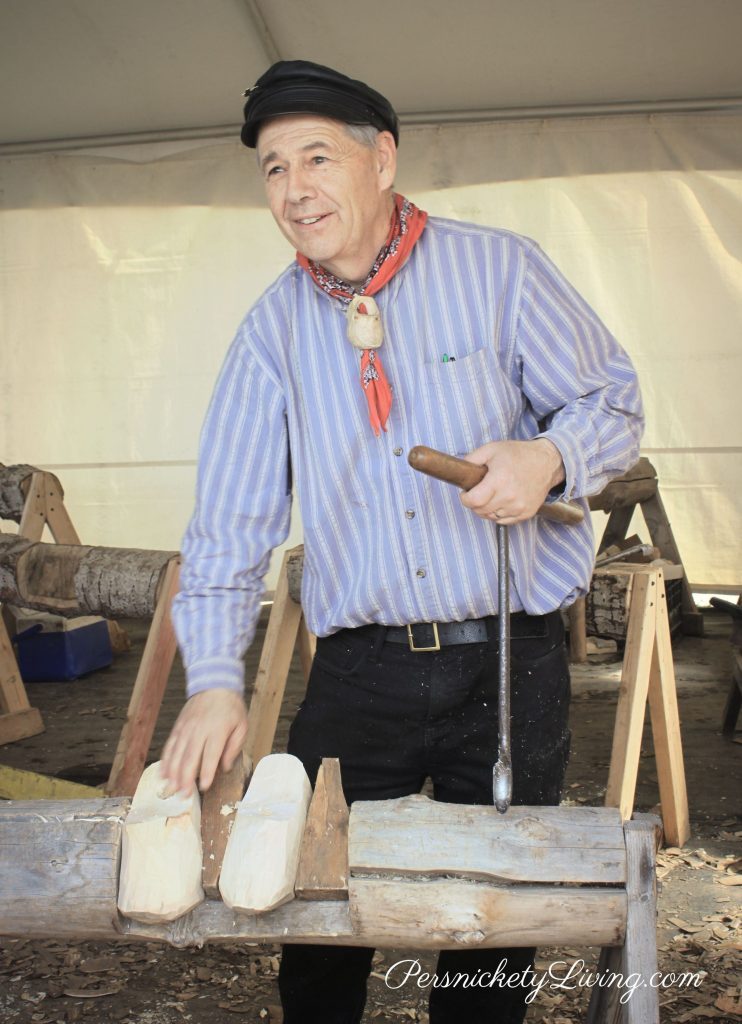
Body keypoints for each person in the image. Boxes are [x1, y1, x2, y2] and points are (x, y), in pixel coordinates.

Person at [161, 59, 644, 1024]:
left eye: (316, 157)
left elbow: (613, 401)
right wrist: (214, 677)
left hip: (508, 660)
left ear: (382, 160)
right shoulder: (271, 332)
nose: (294, 190)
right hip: (358, 674)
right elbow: (228, 523)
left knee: (484, 936)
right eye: (271, 169)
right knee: (316, 927)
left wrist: (547, 456)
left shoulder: (498, 270)